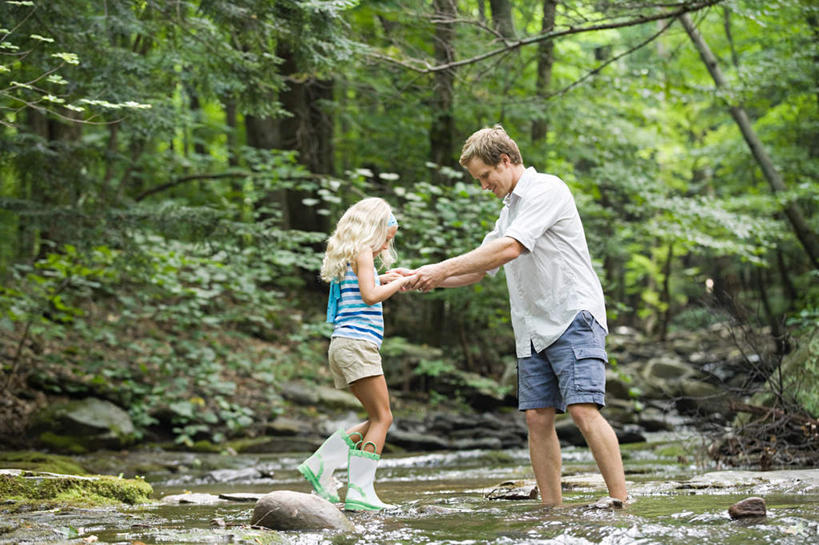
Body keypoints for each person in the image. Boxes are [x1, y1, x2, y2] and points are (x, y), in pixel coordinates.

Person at [405, 125, 627, 507]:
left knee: (582, 409)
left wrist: (439, 269)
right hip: (532, 328)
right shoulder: (509, 211)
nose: (483, 186)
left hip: (572, 315)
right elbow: (479, 268)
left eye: (485, 176)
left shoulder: (546, 190)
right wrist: (416, 278)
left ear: (505, 161)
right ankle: (551, 510)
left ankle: (621, 501)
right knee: (537, 418)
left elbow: (510, 249)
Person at [298, 197, 414, 512]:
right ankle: (360, 491)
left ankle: (323, 464)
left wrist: (386, 278)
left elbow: (365, 287)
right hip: (357, 344)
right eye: (387, 237)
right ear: (374, 228)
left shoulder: (353, 255)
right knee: (383, 417)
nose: (385, 246)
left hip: (344, 345)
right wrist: (400, 282)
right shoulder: (363, 252)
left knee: (377, 416)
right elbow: (370, 295)